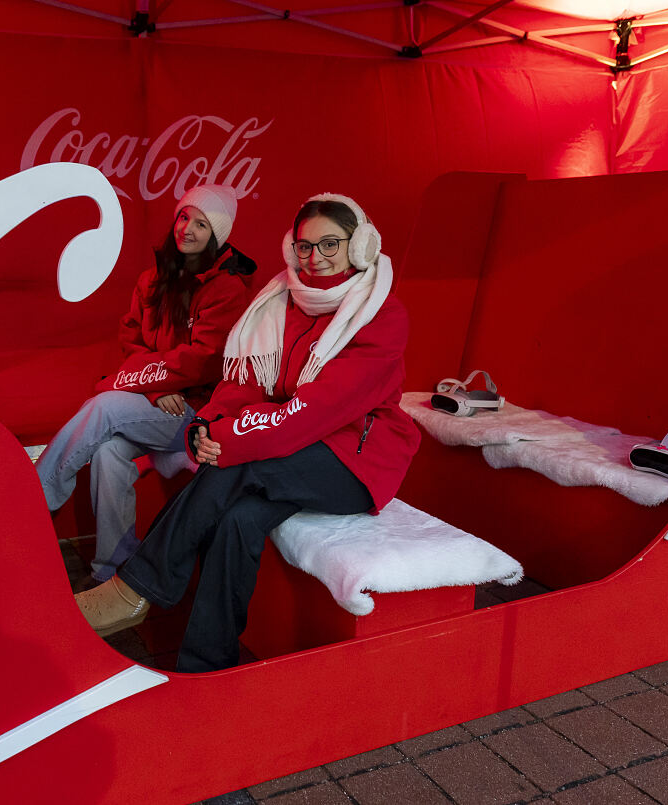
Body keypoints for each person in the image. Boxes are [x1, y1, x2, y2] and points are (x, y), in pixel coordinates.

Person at [75, 193, 421, 672]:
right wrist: (206, 423)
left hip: (354, 461)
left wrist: (231, 441)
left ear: (360, 245)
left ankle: (140, 586)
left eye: (330, 245)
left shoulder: (380, 314)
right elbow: (243, 383)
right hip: (287, 449)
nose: (314, 258)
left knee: (235, 468)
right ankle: (208, 660)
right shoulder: (281, 303)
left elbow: (315, 410)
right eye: (304, 247)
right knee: (240, 517)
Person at [36, 184, 255, 590]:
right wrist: (153, 388)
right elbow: (131, 339)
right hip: (157, 402)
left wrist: (151, 382)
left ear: (218, 235)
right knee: (108, 453)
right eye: (184, 217)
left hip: (195, 414)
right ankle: (112, 570)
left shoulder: (227, 289)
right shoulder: (153, 278)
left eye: (202, 224)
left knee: (103, 408)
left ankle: (32, 503)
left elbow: (202, 360)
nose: (187, 229)